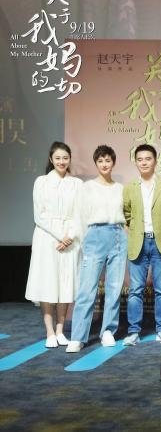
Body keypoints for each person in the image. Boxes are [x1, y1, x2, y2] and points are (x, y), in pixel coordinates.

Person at [66, 145, 127, 353]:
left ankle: (108, 330)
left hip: (118, 235)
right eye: (100, 161)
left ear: (113, 162)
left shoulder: (120, 188)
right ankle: (78, 336)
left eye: (108, 160)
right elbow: (80, 216)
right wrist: (84, 241)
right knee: (87, 288)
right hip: (95, 235)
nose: (104, 164)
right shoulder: (87, 187)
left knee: (114, 288)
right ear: (96, 163)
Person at [25, 142, 82, 348]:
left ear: (70, 159)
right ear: (51, 159)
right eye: (57, 158)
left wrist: (70, 236)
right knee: (47, 282)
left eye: (65, 158)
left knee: (66, 284)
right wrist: (60, 236)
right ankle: (49, 332)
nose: (61, 161)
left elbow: (80, 213)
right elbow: (39, 215)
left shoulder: (77, 184)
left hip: (71, 238)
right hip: (47, 237)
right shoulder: (41, 182)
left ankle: (60, 330)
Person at [122, 144, 161, 346]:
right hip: (138, 242)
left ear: (155, 161)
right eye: (140, 159)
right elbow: (126, 212)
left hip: (160, 242)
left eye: (148, 158)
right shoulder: (130, 187)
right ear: (135, 162)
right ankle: (134, 332)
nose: (144, 162)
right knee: (135, 289)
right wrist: (135, 231)